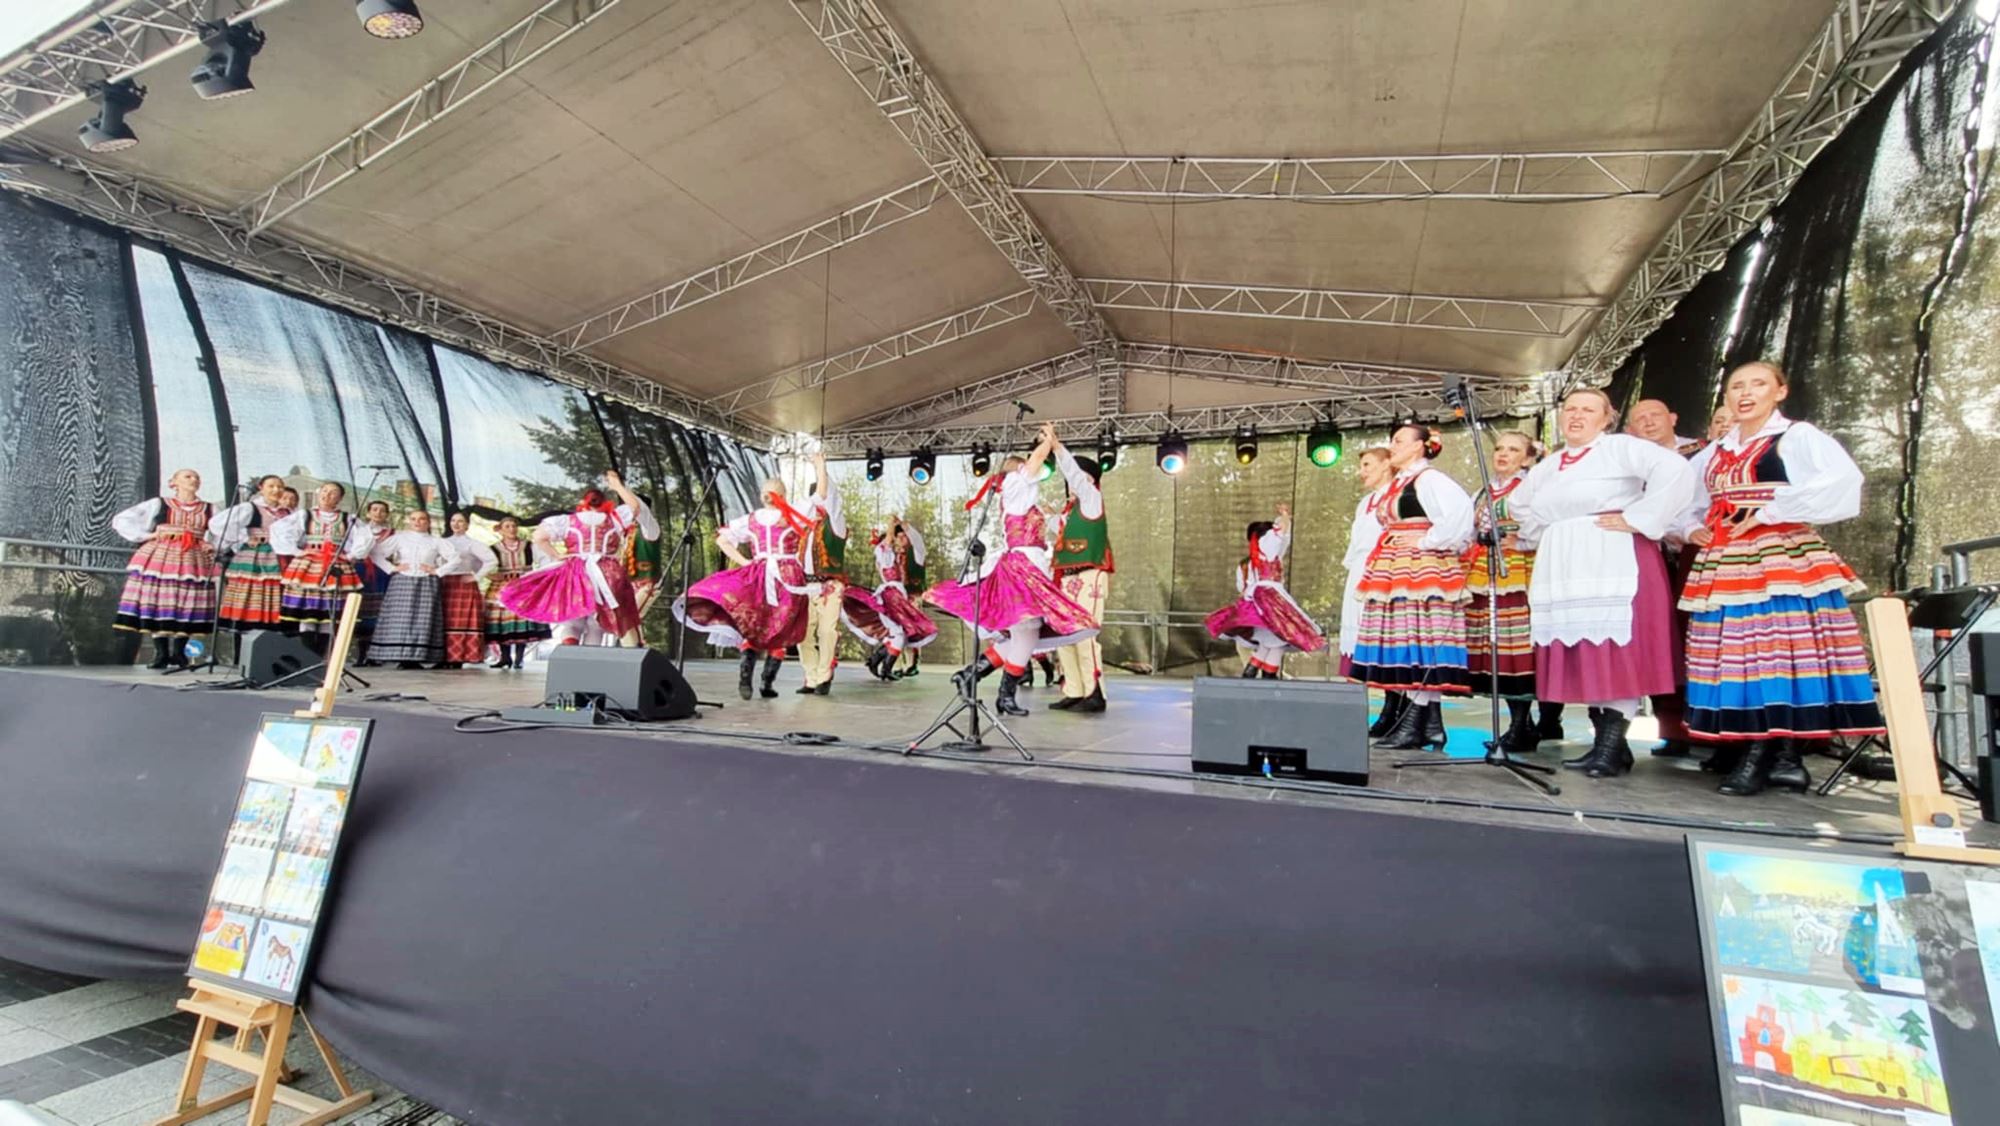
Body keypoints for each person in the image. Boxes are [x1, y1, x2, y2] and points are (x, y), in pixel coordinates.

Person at [1677, 361, 1886, 796]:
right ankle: (1776, 757)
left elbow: (1843, 482)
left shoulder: (1796, 436)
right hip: (1725, 556)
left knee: (1775, 652)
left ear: (1780, 391)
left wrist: (1770, 511)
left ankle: (1769, 754)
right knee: (1735, 655)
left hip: (1779, 556)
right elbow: (1685, 500)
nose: (1745, 393)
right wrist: (1689, 527)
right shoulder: (1715, 452)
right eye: (1737, 386)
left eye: (1758, 384)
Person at [1512, 389, 1695, 779]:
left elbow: (1674, 469)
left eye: (1587, 409)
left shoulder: (1619, 448)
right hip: (1566, 558)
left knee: (1614, 647)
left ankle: (1611, 746)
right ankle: (1609, 745)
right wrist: (1545, 532)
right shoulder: (1551, 464)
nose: (1576, 416)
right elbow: (1519, 504)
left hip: (1610, 552)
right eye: (1570, 409)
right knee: (1586, 650)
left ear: (1606, 418)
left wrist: (1640, 517)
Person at [924, 423, 1099, 718]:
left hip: (1030, 566)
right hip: (1021, 568)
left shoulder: (1025, 497)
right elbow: (1034, 463)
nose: (1037, 474)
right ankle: (999, 692)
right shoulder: (1016, 485)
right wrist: (1048, 441)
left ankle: (974, 677)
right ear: (1017, 470)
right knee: (1026, 633)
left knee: (1025, 638)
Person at [1347, 424, 1475, 751]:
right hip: (1398, 566)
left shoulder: (1429, 479)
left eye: (1399, 440)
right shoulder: (1402, 482)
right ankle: (1430, 725)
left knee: (1418, 639)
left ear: (1419, 446)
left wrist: (1426, 540)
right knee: (1406, 639)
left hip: (1420, 568)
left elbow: (1460, 515)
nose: (1392, 446)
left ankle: (1414, 724)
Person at [675, 475, 814, 700]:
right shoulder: (791, 515)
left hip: (758, 574)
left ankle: (745, 677)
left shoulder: (751, 519)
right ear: (783, 495)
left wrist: (745, 562)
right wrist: (819, 465)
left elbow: (722, 540)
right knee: (780, 627)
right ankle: (767, 683)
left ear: (763, 496)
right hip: (787, 576)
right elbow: (821, 496)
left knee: (755, 623)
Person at [1462, 431, 1557, 754]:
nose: (1503, 454)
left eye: (1513, 450)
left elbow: (1548, 523)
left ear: (1528, 458)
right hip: (1486, 569)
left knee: (1518, 645)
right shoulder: (1484, 491)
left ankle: (1524, 724)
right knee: (1497, 647)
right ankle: (1521, 724)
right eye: (1499, 448)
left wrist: (1524, 540)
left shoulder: (1531, 488)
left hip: (1519, 567)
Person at [502, 470, 659, 647]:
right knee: (596, 623)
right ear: (604, 503)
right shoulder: (614, 518)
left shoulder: (568, 520)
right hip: (607, 571)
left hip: (575, 570)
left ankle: (569, 653)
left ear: (583, 503)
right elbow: (635, 507)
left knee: (572, 620)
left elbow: (538, 537)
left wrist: (557, 555)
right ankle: (589, 657)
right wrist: (618, 486)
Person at [111, 468, 220, 668]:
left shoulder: (210, 508)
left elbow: (222, 531)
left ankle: (179, 653)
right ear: (173, 482)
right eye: (188, 476)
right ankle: (161, 653)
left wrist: (212, 545)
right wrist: (148, 535)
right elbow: (123, 519)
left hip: (193, 558)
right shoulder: (160, 503)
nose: (193, 480)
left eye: (197, 477)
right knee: (159, 599)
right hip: (161, 556)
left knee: (188, 601)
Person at [1206, 503, 1325, 677]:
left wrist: (1284, 519)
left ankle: (1253, 670)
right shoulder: (1268, 546)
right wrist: (1284, 516)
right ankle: (1268, 674)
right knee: (1279, 638)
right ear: (1266, 535)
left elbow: (1242, 586)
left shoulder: (1253, 559)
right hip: (1269, 597)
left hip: (1253, 601)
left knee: (1271, 640)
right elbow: (1281, 533)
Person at [1338, 448, 1402, 734]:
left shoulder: (1398, 496)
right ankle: (1379, 709)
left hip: (1385, 569)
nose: (1361, 471)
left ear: (1387, 464)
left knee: (1386, 637)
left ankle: (1395, 706)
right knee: (1361, 637)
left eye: (1367, 465)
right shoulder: (1365, 502)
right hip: (1361, 570)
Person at [1048, 433, 1113, 713]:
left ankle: (1095, 691)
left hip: (1089, 575)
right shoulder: (1070, 513)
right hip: (1068, 578)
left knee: (1084, 634)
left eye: (1078, 478)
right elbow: (1056, 529)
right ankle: (1074, 689)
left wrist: (1058, 448)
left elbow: (1076, 478)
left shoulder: (1092, 500)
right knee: (1064, 635)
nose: (1072, 484)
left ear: (1090, 480)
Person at [271, 483, 372, 651]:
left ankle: (322, 657)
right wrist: (296, 551)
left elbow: (366, 537)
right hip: (309, 566)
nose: (327, 495)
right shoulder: (305, 515)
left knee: (328, 614)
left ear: (339, 498)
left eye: (333, 493)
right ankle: (307, 655)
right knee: (307, 612)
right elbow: (279, 529)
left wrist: (350, 555)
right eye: (325, 491)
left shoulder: (348, 518)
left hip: (336, 564)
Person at [364, 510, 459, 669]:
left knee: (424, 618)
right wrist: (392, 568)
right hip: (402, 580)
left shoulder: (436, 541)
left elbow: (455, 558)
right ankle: (398, 656)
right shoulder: (400, 538)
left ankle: (417, 657)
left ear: (428, 522)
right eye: (414, 519)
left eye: (421, 519)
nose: (417, 522)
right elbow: (375, 553)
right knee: (399, 618)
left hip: (426, 581)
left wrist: (437, 571)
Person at [850, 515, 939, 679]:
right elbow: (886, 549)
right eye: (898, 537)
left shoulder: (913, 553)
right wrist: (891, 525)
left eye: (904, 536)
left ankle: (888, 662)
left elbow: (916, 542)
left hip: (906, 596)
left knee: (905, 632)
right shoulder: (886, 554)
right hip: (894, 597)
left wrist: (903, 526)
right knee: (901, 632)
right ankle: (888, 667)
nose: (900, 539)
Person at [797, 452, 850, 696]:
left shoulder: (835, 523)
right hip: (805, 586)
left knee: (827, 631)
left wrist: (821, 469)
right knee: (803, 633)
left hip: (830, 586)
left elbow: (833, 499)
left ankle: (825, 675)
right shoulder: (803, 529)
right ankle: (811, 677)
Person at [215, 475, 292, 633]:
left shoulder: (287, 512)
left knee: (274, 591)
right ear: (261, 488)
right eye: (271, 486)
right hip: (254, 555)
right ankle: (244, 631)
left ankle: (269, 629)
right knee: (249, 591)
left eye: (280, 487)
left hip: (278, 556)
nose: (276, 490)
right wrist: (243, 538)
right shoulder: (250, 508)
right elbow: (218, 523)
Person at [484, 516, 550, 669]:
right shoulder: (493, 548)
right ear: (500, 530)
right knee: (501, 622)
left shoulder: (529, 546)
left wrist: (536, 576)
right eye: (507, 526)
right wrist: (489, 575)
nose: (511, 529)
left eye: (514, 526)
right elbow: (481, 564)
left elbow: (545, 560)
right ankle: (505, 657)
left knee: (522, 620)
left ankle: (519, 658)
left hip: (524, 584)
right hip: (502, 586)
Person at [439, 511, 497, 668]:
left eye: (460, 521)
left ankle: (459, 657)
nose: (456, 524)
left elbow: (491, 560)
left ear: (467, 525)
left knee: (461, 620)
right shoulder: (443, 542)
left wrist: (477, 577)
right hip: (444, 582)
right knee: (444, 619)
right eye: (453, 520)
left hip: (463, 582)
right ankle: (442, 656)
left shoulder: (472, 543)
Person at [1625, 399, 1707, 458]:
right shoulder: (1625, 459)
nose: (1650, 423)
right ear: (1630, 431)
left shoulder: (1702, 450)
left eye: (1655, 415)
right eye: (1640, 419)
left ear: (1672, 419)